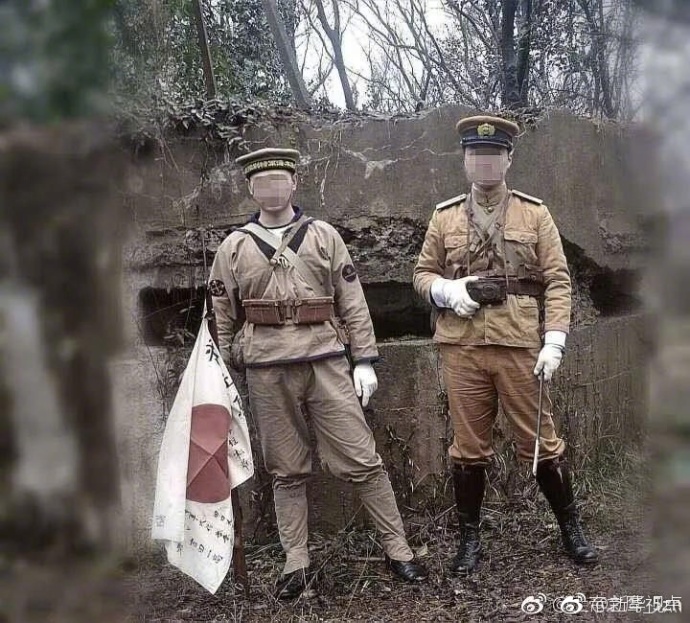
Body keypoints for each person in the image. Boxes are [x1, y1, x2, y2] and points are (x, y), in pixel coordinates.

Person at [209, 147, 427, 599]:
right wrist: (225, 364)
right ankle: (296, 562)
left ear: (294, 184)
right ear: (250, 189)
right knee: (286, 469)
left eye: (279, 180)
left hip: (325, 360)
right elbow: (222, 311)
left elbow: (352, 299)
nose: (271, 189)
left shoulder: (324, 236)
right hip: (266, 367)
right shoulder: (234, 247)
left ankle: (398, 549)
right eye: (261, 183)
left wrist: (363, 359)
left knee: (362, 459)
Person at [413, 115, 598, 574]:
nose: (484, 163)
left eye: (493, 155)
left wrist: (554, 340)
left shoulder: (534, 213)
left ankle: (571, 529)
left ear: (509, 159)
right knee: (467, 448)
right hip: (462, 347)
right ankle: (469, 540)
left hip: (518, 344)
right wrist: (446, 291)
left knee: (541, 441)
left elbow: (557, 280)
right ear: (464, 161)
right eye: (476, 155)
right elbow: (422, 274)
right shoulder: (444, 216)